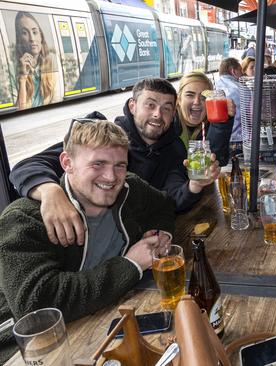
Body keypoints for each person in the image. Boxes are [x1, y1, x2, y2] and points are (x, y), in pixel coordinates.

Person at [0, 120, 176, 363]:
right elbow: (37, 305)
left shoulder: (129, 189)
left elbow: (164, 206)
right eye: (98, 164)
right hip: (31, 349)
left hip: (107, 318)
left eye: (120, 165)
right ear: (67, 163)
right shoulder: (24, 219)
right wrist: (131, 265)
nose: (111, 176)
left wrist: (161, 233)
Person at [9, 78, 219, 246]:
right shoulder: (104, 137)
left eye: (166, 108)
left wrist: (194, 185)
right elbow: (27, 166)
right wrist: (50, 192)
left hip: (130, 242)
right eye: (150, 105)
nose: (158, 114)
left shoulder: (174, 149)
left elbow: (170, 199)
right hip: (76, 240)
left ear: (173, 113)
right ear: (133, 105)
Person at [176, 71, 234, 165]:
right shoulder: (167, 125)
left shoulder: (210, 125)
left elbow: (219, 160)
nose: (197, 101)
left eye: (203, 97)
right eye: (190, 95)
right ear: (179, 99)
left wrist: (221, 122)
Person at [14, 11, 61, 110]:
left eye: (35, 32)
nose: (32, 39)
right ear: (19, 39)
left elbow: (57, 101)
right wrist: (22, 79)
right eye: (24, 33)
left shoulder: (52, 61)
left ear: (41, 36)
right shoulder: (12, 69)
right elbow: (18, 111)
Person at [214, 58, 244, 157]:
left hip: (218, 139)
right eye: (241, 71)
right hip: (238, 140)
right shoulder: (241, 89)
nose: (242, 74)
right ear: (234, 71)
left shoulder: (212, 86)